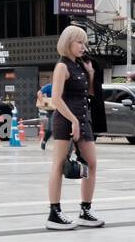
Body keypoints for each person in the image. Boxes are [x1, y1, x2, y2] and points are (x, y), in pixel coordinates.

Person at [45, 26, 104, 230]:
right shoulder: (62, 66)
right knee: (59, 165)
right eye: (79, 42)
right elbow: (55, 99)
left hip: (81, 119)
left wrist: (90, 73)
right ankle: (54, 213)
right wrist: (73, 120)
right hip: (65, 120)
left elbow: (87, 94)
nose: (83, 46)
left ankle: (85, 209)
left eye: (84, 42)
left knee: (91, 164)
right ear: (68, 42)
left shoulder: (78, 65)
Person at [36, 82, 54, 151]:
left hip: (62, 109)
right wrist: (42, 103)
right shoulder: (49, 86)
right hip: (52, 110)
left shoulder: (64, 86)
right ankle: (44, 141)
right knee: (50, 128)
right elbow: (39, 93)